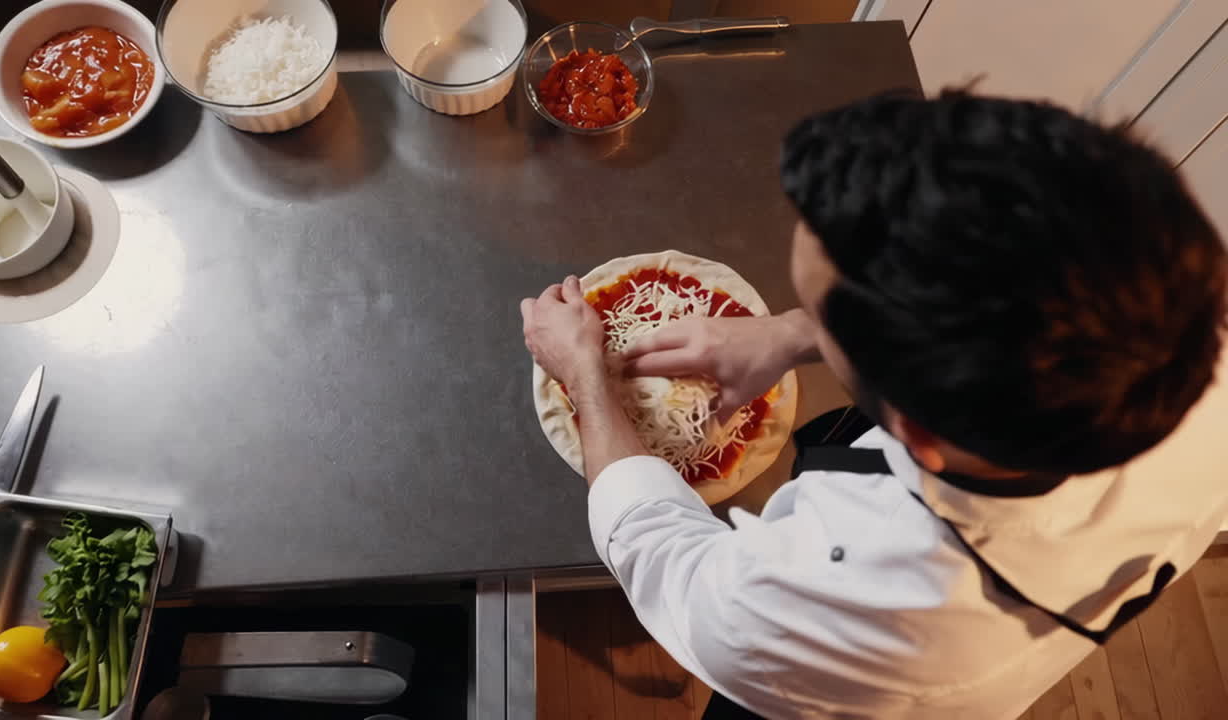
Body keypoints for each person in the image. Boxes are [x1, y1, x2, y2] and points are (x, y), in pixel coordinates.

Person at [519, 90, 1228, 720]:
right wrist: (790, 333)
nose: (805, 323)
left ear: (915, 432)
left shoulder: (818, 603)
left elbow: (666, 558)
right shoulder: (1177, 309)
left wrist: (584, 376)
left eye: (822, 316)